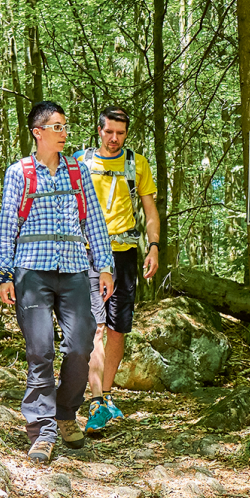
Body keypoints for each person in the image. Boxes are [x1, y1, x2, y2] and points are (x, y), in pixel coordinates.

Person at [0, 101, 115, 464]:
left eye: (65, 127)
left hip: (75, 270)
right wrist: (4, 274)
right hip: (32, 271)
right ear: (38, 132)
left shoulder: (77, 172)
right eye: (57, 127)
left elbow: (94, 221)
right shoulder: (19, 173)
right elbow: (7, 225)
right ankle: (42, 431)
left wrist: (104, 266)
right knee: (40, 350)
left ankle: (65, 411)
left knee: (80, 346)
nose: (64, 133)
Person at [76, 106, 161, 435]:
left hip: (124, 254)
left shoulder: (137, 164)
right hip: (88, 254)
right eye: (109, 132)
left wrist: (153, 246)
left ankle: (107, 394)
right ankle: (95, 401)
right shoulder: (81, 163)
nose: (114, 138)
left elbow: (150, 210)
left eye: (120, 133)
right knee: (96, 327)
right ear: (99, 130)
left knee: (117, 329)